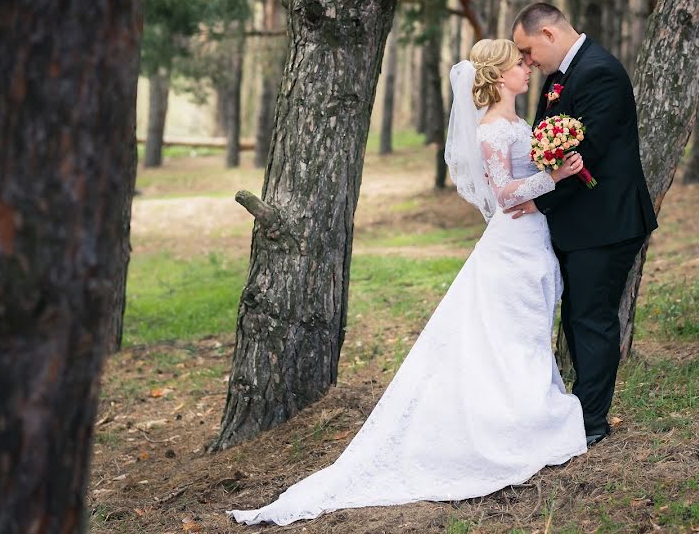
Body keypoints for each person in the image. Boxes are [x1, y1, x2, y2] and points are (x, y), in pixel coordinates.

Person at [228, 39, 587, 526]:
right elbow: (504, 195)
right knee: (509, 335)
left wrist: (552, 173)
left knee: (524, 332)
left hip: (532, 239)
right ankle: (515, 424)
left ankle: (526, 412)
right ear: (501, 76)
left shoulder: (520, 124)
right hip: (513, 243)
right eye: (519, 64)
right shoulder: (492, 130)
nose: (528, 69)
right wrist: (557, 175)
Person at [510, 3, 658, 446]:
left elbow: (585, 153)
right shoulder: (559, 78)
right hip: (582, 222)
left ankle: (592, 423)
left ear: (550, 34)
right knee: (577, 317)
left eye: (528, 49)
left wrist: (541, 201)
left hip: (607, 221)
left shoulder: (600, 72)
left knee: (591, 319)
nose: (528, 61)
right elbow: (546, 143)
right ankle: (583, 414)